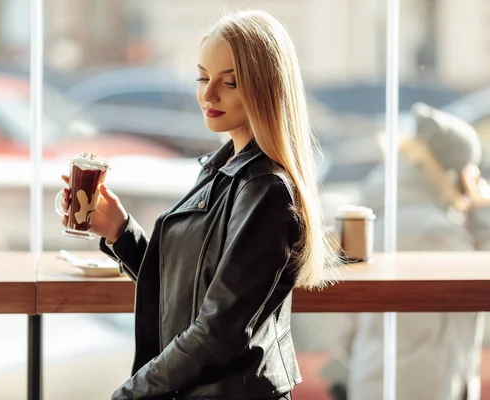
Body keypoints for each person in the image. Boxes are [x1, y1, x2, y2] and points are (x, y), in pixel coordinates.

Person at [59, 10, 341, 400]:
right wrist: (121, 232)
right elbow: (187, 292)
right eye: (202, 77)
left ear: (265, 87)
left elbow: (217, 332)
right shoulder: (223, 168)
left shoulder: (266, 192)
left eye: (229, 82)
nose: (208, 94)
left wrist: (129, 394)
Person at [322, 102, 490, 400]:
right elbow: (481, 280)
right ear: (456, 174)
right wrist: (482, 213)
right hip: (419, 387)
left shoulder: (384, 219)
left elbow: (352, 318)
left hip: (377, 379)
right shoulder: (434, 233)